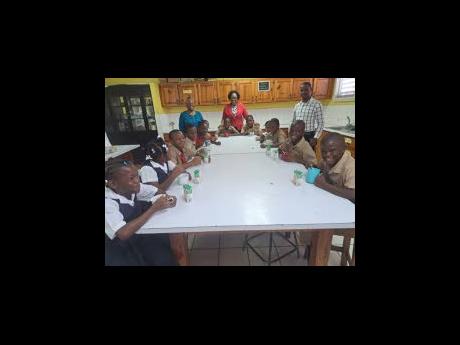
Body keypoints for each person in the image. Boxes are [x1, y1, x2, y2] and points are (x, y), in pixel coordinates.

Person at [105, 158, 178, 266]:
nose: (137, 181)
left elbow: (160, 192)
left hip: (136, 237)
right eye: (131, 178)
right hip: (119, 248)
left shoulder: (132, 188)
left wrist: (168, 199)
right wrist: (153, 208)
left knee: (163, 254)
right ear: (113, 184)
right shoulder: (108, 202)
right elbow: (122, 233)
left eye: (137, 176)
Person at [314, 132, 355, 203]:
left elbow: (352, 194)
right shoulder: (326, 160)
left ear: (344, 148)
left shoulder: (351, 166)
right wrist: (312, 167)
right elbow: (318, 168)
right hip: (332, 200)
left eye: (332, 151)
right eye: (323, 151)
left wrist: (324, 185)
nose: (327, 155)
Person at [292, 82, 324, 150]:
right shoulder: (297, 106)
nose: (304, 92)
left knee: (308, 157)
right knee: (296, 154)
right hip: (297, 135)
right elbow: (293, 122)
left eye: (306, 90)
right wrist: (291, 134)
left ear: (311, 91)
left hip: (309, 136)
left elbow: (321, 123)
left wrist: (315, 137)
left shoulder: (317, 104)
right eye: (301, 90)